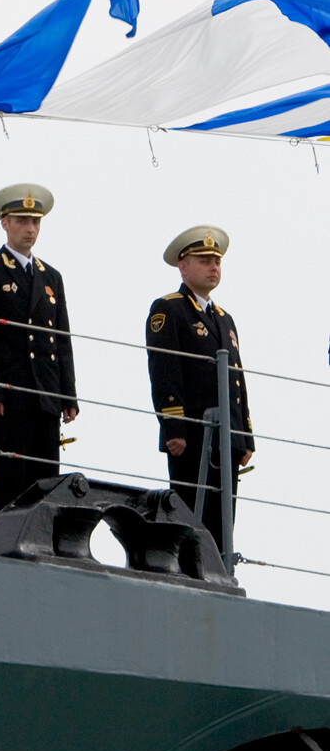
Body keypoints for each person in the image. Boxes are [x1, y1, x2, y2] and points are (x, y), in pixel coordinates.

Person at [0, 184, 78, 531]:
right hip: (9, 395)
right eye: (22, 221)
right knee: (8, 481)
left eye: (35, 221)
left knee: (45, 482)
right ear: (5, 223)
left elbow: (61, 339)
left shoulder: (51, 277)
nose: (29, 228)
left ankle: (42, 544)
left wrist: (67, 395)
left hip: (44, 395)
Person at [146, 226, 253, 551]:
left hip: (226, 437)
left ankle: (219, 571)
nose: (213, 267)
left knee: (222, 522)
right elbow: (165, 371)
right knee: (191, 514)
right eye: (205, 260)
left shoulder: (224, 319)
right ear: (183, 266)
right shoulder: (169, 309)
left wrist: (244, 435)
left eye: (217, 261)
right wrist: (174, 427)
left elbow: (237, 378)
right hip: (191, 434)